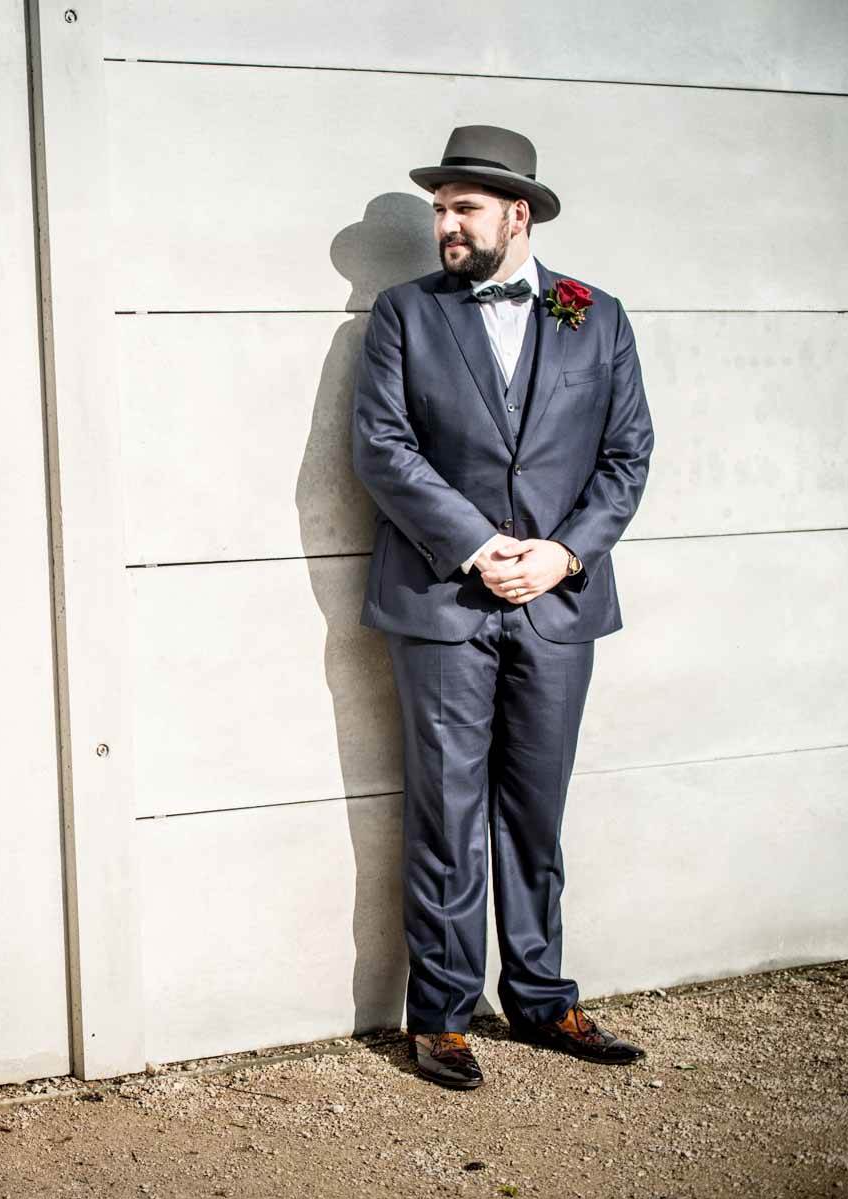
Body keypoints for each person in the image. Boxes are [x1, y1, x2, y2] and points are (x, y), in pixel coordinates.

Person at [350, 126, 654, 1090]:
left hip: (558, 604)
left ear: (517, 213)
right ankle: (439, 1013)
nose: (445, 223)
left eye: (463, 207)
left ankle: (542, 996)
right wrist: (482, 549)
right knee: (447, 806)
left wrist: (562, 553)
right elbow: (383, 447)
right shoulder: (404, 314)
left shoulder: (595, 316)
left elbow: (626, 455)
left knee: (536, 809)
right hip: (443, 599)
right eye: (439, 207)